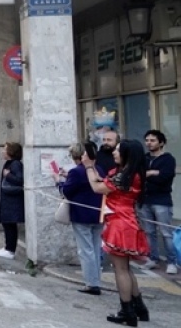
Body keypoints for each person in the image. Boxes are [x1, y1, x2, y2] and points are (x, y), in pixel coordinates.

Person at [81, 139, 151, 325]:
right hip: (127, 221)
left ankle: (126, 311)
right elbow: (100, 181)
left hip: (120, 223)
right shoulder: (129, 174)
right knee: (126, 269)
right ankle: (139, 308)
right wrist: (92, 167)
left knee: (120, 270)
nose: (114, 152)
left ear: (127, 154)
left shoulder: (124, 176)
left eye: (118, 150)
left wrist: (88, 166)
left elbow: (97, 187)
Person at [57, 141, 104, 295]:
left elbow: (67, 192)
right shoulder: (99, 169)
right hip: (98, 214)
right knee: (96, 249)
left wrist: (59, 182)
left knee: (86, 250)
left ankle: (91, 283)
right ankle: (96, 280)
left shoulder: (76, 172)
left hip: (81, 215)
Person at [138, 129, 176, 274]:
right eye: (147, 140)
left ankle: (172, 261)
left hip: (161, 200)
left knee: (166, 232)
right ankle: (152, 259)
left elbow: (165, 177)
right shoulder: (144, 158)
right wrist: (153, 173)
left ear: (161, 142)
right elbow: (139, 176)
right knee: (149, 232)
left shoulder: (167, 159)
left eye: (152, 140)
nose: (149, 143)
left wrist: (152, 173)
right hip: (145, 199)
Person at [0, 142, 25, 260]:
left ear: (11, 152)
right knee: (7, 224)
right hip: (8, 199)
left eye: (5, 149)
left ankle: (10, 250)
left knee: (10, 224)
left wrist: (8, 175)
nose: (2, 151)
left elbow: (20, 179)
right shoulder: (9, 163)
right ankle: (7, 247)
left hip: (12, 200)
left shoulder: (16, 164)